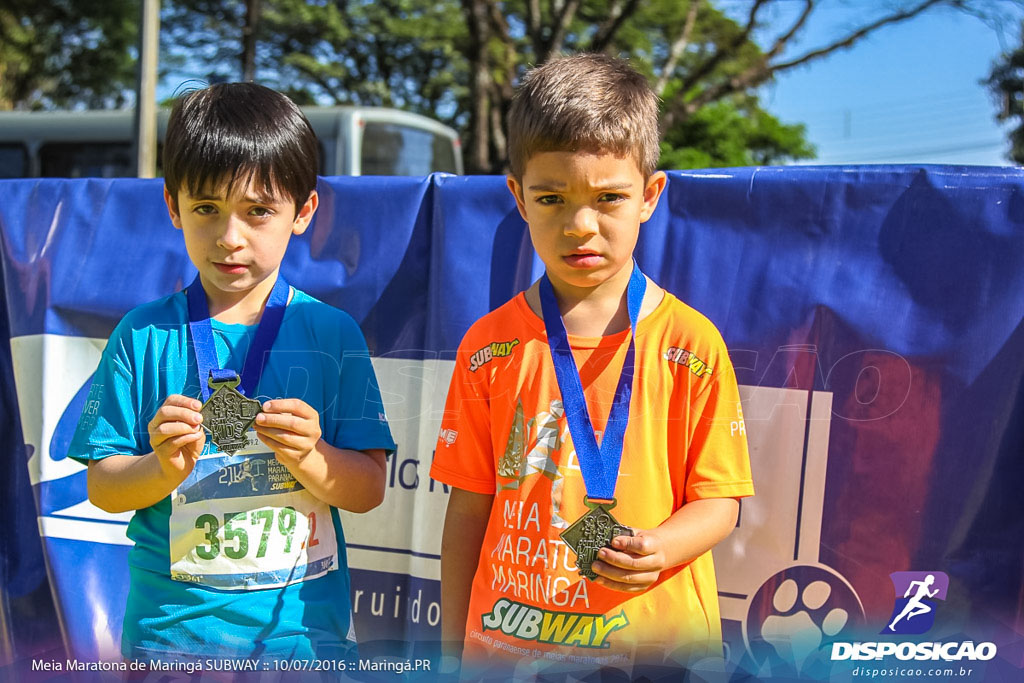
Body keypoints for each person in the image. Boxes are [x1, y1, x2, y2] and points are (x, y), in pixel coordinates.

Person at [429, 53, 754, 676]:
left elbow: (720, 503)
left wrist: (659, 549)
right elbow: (468, 511)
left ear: (649, 196)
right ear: (518, 198)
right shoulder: (488, 346)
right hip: (509, 653)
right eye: (552, 197)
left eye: (609, 198)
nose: (581, 226)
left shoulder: (691, 343)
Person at [68, 82, 396, 664]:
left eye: (258, 211)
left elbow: (369, 489)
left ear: (303, 211)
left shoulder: (332, 334)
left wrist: (313, 456)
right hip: (169, 646)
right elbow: (104, 487)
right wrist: (159, 466)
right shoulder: (142, 336)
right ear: (173, 206)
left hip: (300, 649)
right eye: (206, 209)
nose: (229, 237)